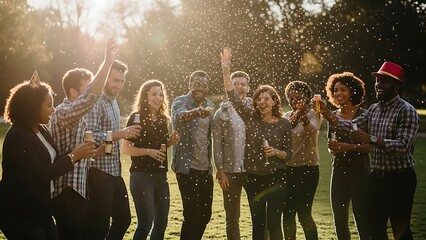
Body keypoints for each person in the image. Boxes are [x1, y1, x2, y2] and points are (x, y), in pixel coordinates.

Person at [319, 62, 419, 239]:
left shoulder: (407, 111)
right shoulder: (374, 109)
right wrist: (326, 112)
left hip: (400, 179)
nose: (379, 85)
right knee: (374, 229)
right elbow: (349, 127)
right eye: (378, 81)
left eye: (385, 81)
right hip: (376, 178)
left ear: (397, 85)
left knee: (400, 230)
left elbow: (403, 147)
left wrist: (371, 139)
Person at [0, 72, 96, 239]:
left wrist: (79, 153)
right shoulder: (19, 136)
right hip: (18, 211)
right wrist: (73, 156)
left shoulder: (41, 130)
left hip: (40, 209)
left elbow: (51, 161)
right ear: (32, 107)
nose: (53, 109)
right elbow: (40, 174)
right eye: (49, 105)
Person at [221, 48, 292, 240]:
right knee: (258, 223)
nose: (262, 102)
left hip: (277, 177)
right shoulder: (250, 118)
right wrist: (226, 69)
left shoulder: (284, 123)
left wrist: (276, 152)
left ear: (274, 101)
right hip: (254, 178)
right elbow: (232, 95)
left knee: (274, 222)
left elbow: (288, 154)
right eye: (259, 99)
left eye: (266, 98)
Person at [50, 38, 115, 240]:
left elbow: (73, 149)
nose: (93, 91)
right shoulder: (64, 112)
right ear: (73, 91)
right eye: (86, 88)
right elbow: (91, 97)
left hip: (78, 190)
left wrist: (92, 153)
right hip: (67, 191)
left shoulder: (75, 116)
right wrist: (106, 64)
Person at [84, 60, 141, 240]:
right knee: (99, 227)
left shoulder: (114, 103)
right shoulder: (96, 102)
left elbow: (110, 135)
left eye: (122, 81)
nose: (119, 85)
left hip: (115, 172)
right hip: (98, 172)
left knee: (124, 220)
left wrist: (123, 134)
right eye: (115, 80)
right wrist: (120, 133)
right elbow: (89, 135)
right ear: (105, 79)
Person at [122, 80, 179, 240]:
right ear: (145, 96)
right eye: (154, 94)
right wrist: (148, 152)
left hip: (161, 177)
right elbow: (126, 148)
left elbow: (159, 147)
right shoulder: (136, 118)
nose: (158, 97)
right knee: (145, 224)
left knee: (161, 225)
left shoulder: (163, 120)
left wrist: (170, 142)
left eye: (161, 94)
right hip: (141, 177)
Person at [325, 72, 370, 240]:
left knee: (362, 218)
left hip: (360, 171)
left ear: (353, 92)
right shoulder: (333, 116)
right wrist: (333, 149)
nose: (338, 93)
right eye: (335, 90)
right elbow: (331, 147)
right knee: (340, 220)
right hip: (338, 171)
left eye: (342, 89)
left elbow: (369, 147)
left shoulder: (364, 115)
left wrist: (347, 147)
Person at [171, 70, 214, 240]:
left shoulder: (209, 103)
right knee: (191, 215)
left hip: (205, 168)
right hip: (187, 168)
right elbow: (178, 117)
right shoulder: (180, 101)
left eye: (204, 85)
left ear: (207, 87)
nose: (200, 88)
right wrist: (196, 112)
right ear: (190, 85)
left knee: (205, 215)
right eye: (196, 84)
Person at [213, 70, 252, 240]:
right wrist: (221, 171)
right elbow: (217, 145)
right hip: (230, 172)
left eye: (243, 84)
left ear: (248, 88)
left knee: (260, 217)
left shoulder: (257, 108)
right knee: (232, 219)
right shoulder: (221, 113)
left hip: (253, 171)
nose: (239, 87)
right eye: (235, 84)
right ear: (229, 87)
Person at [282, 81, 321, 240]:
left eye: (299, 97)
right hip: (287, 170)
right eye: (291, 98)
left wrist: (303, 116)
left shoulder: (315, 113)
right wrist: (297, 113)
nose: (295, 101)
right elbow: (285, 132)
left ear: (307, 97)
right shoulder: (286, 116)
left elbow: (313, 132)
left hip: (308, 169)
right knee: (287, 214)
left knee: (304, 214)